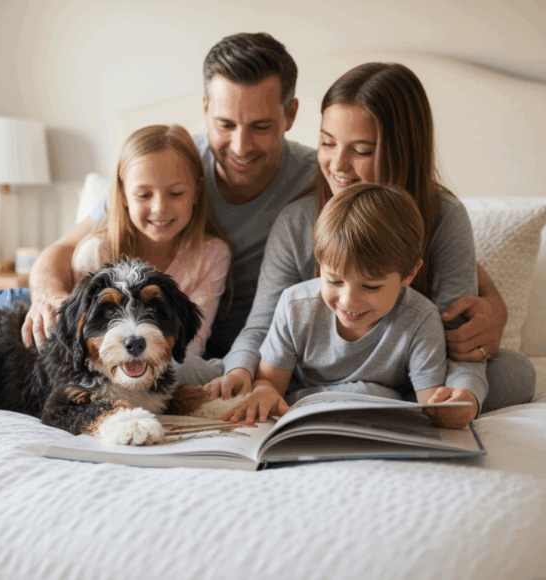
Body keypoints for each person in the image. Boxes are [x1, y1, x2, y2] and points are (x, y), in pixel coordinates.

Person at [209, 62, 535, 414]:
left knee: (513, 372)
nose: (337, 164)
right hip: (308, 378)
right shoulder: (298, 220)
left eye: (362, 150)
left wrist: (462, 394)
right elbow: (263, 325)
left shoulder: (444, 217)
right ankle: (366, 402)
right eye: (327, 143)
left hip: (415, 377)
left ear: (401, 149)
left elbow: (460, 339)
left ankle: (374, 401)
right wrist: (240, 369)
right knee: (214, 370)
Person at [22, 32, 318, 362]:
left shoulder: (318, 179)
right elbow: (62, 250)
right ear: (205, 109)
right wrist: (47, 295)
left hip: (209, 349)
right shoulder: (169, 164)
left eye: (260, 127)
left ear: (290, 115)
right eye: (225, 124)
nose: (241, 146)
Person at [0, 124, 231, 356]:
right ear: (123, 196)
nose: (160, 208)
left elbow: (191, 347)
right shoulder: (98, 249)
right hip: (20, 309)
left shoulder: (211, 255)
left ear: (197, 191)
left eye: (176, 193)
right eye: (143, 195)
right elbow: (82, 341)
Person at [224, 183, 477, 430]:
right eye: (334, 280)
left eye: (371, 286)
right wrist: (264, 393)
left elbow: (429, 405)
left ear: (409, 274)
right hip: (300, 402)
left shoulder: (420, 319)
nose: (348, 301)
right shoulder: (294, 306)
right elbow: (269, 382)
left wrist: (447, 410)